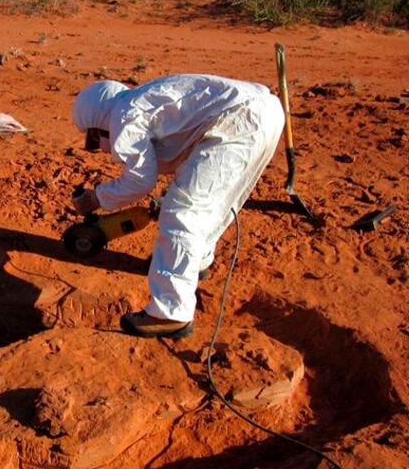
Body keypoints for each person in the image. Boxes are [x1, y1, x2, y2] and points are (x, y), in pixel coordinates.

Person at [71, 74, 285, 339]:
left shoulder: (123, 117)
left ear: (98, 121)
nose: (96, 148)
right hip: (264, 112)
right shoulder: (137, 103)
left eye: (92, 140)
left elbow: (140, 181)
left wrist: (96, 198)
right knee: (211, 202)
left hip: (239, 121)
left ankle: (170, 314)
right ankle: (196, 261)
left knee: (182, 212)